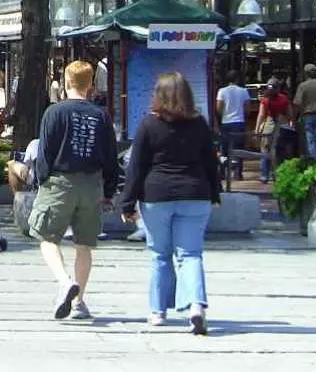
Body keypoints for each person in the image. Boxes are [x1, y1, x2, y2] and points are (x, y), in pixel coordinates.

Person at [119, 72, 220, 335]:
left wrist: (127, 203)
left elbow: (136, 167)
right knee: (191, 254)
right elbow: (211, 161)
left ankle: (157, 311)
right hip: (196, 194)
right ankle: (196, 307)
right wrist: (216, 194)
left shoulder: (148, 125)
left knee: (160, 255)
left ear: (158, 96)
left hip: (157, 196)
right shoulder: (199, 123)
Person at [27, 60, 119, 321]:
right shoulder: (101, 115)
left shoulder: (54, 112)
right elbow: (110, 156)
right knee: (84, 245)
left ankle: (64, 281)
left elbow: (44, 152)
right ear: (90, 84)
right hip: (91, 184)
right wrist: (109, 190)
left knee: (46, 236)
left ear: (66, 82)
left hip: (59, 181)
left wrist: (41, 180)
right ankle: (79, 302)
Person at [254, 78, 291, 183]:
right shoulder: (284, 99)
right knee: (280, 152)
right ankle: (278, 174)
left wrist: (257, 129)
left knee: (265, 151)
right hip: (281, 125)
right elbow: (290, 114)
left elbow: (261, 115)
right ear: (278, 88)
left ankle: (264, 175)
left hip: (268, 126)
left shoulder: (265, 100)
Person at [216, 70, 250, 180]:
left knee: (224, 149)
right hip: (239, 122)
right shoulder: (244, 91)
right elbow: (247, 108)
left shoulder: (222, 91)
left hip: (226, 122)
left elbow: (219, 108)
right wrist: (243, 116)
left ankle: (222, 173)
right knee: (239, 148)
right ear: (237, 79)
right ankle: (238, 173)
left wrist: (223, 116)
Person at [293, 63, 316, 158]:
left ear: (305, 73)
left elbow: (297, 103)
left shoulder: (303, 86)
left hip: (308, 116)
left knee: (310, 140)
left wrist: (294, 117)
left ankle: (314, 164)